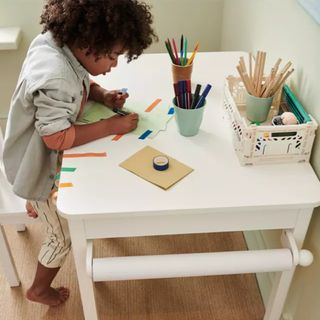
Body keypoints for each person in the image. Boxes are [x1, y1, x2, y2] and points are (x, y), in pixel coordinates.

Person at [3, 0, 157, 307]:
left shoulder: (58, 45)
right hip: (33, 164)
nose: (114, 64)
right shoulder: (56, 76)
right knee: (62, 236)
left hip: (28, 147)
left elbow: (80, 81)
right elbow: (56, 138)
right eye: (113, 56)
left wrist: (101, 94)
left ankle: (36, 199)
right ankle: (38, 288)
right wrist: (110, 126)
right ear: (89, 43)